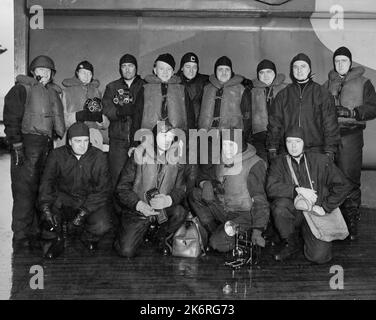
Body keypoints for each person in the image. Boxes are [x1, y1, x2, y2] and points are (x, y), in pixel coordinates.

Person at [3, 55, 65, 251]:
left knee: (42, 189)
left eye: (48, 71)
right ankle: (20, 236)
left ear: (52, 74)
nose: (44, 74)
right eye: (40, 70)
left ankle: (36, 232)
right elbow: (11, 118)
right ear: (33, 72)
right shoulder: (21, 89)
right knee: (23, 191)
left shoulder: (50, 92)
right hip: (26, 145)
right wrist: (17, 144)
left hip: (46, 145)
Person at [266, 126, 351, 264]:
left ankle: (307, 237)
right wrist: (296, 190)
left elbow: (344, 185)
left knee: (319, 256)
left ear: (304, 142)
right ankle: (290, 241)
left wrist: (325, 207)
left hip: (315, 213)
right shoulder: (279, 162)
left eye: (297, 142)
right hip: (294, 212)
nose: (293, 146)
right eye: (289, 142)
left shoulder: (321, 161)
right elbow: (271, 188)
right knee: (279, 207)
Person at [323, 46, 376, 240]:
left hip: (351, 135)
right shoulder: (327, 83)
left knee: (350, 179)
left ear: (350, 62)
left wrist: (353, 113)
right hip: (329, 136)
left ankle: (351, 221)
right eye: (337, 61)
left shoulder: (364, 82)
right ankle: (333, 222)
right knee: (329, 179)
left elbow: (373, 107)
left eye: (343, 61)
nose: (340, 64)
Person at [38, 122, 112, 259]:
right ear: (70, 142)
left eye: (85, 141)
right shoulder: (56, 155)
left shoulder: (99, 157)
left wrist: (84, 212)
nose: (82, 145)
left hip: (88, 201)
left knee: (103, 224)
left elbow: (103, 190)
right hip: (63, 200)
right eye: (78, 141)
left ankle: (87, 236)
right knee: (47, 220)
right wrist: (45, 207)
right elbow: (46, 183)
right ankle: (57, 239)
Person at [188, 129, 269, 252]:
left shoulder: (254, 164)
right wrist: (206, 184)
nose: (227, 149)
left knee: (217, 244)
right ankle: (217, 230)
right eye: (224, 145)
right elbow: (204, 175)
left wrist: (258, 230)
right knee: (195, 194)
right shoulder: (222, 158)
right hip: (225, 209)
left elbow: (260, 200)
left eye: (231, 145)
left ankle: (244, 235)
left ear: (240, 145)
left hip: (245, 215)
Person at [114, 122, 187, 258]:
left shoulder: (177, 158)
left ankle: (160, 236)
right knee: (126, 251)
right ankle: (131, 231)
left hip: (162, 210)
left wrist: (168, 200)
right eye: (163, 136)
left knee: (180, 212)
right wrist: (139, 205)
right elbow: (122, 188)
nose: (167, 140)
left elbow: (181, 189)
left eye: (170, 136)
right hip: (139, 210)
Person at [266, 53, 340, 161]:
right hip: (288, 149)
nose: (299, 70)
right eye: (295, 67)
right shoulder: (283, 95)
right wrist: (272, 148)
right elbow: (275, 123)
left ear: (309, 69)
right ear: (292, 71)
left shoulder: (322, 93)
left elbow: (330, 124)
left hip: (315, 150)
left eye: (303, 66)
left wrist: (330, 150)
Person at [102, 54, 145, 187]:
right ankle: (116, 208)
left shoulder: (145, 86)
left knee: (139, 177)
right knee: (117, 177)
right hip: (118, 140)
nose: (127, 69)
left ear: (136, 68)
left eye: (130, 66)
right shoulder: (112, 87)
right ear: (120, 69)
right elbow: (106, 108)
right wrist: (119, 112)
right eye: (124, 66)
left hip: (141, 140)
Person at [199, 56, 252, 143]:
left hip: (231, 138)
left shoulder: (241, 89)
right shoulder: (206, 88)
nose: (224, 73)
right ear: (215, 72)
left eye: (227, 69)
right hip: (207, 138)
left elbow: (247, 117)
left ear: (231, 72)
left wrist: (243, 138)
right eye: (220, 69)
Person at [136, 53, 194, 132]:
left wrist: (190, 139)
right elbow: (137, 115)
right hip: (149, 135)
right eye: (161, 69)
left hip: (177, 135)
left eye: (168, 69)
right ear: (155, 70)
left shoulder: (181, 89)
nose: (165, 72)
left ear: (173, 72)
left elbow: (190, 115)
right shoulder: (145, 89)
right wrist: (135, 141)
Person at [58, 60, 109, 150]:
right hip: (74, 134)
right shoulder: (66, 92)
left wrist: (101, 119)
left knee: (95, 162)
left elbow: (106, 124)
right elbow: (60, 120)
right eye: (83, 73)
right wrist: (77, 116)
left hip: (93, 136)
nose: (86, 76)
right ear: (77, 73)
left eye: (89, 73)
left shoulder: (97, 92)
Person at [251, 59, 287, 161]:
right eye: (261, 72)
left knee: (282, 166)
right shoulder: (251, 91)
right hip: (260, 137)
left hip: (282, 135)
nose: (265, 75)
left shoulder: (286, 89)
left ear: (275, 73)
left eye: (269, 72)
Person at [176, 52, 209, 128]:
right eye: (188, 67)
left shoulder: (204, 81)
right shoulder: (173, 82)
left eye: (194, 67)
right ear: (181, 67)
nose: (191, 71)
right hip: (179, 128)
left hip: (198, 129)